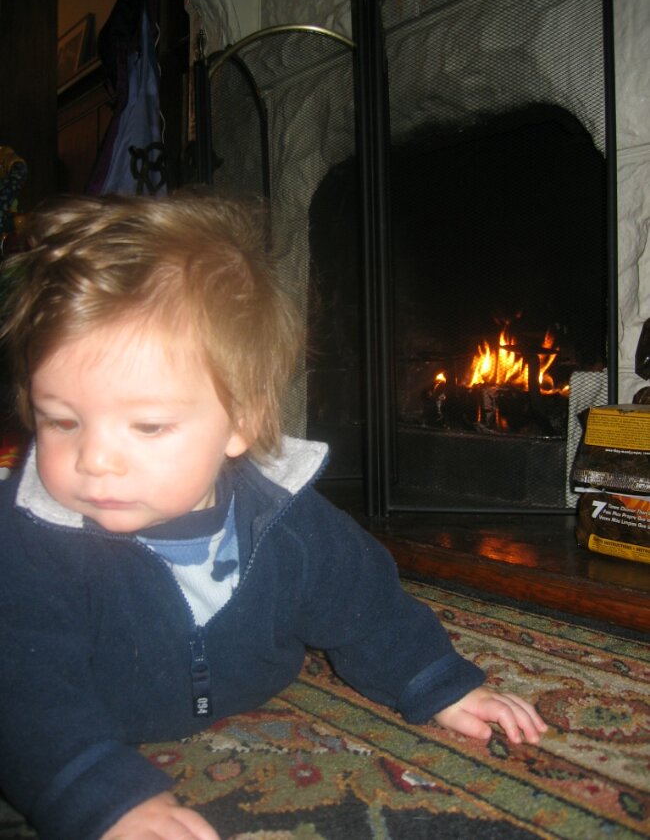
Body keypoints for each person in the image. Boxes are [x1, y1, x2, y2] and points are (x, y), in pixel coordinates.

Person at [0, 192, 547, 840]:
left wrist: (438, 682)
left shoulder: (286, 519)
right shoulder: (30, 545)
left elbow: (365, 602)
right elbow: (23, 691)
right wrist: (97, 794)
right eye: (61, 421)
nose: (93, 459)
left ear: (243, 422)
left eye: (147, 425)